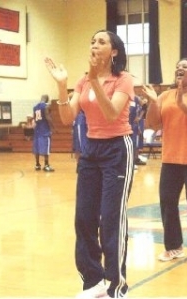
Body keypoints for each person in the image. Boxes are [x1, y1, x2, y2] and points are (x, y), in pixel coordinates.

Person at [44, 29, 134, 298]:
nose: (95, 45)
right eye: (92, 41)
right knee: (84, 218)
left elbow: (110, 113)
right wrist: (62, 85)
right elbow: (67, 117)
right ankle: (93, 282)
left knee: (111, 220)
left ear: (113, 51)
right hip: (91, 150)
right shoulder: (83, 81)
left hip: (117, 149)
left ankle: (116, 286)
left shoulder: (124, 80)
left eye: (101, 42)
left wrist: (95, 80)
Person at [142, 58, 187, 264]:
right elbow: (153, 124)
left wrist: (182, 104)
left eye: (185, 66)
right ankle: (173, 247)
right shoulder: (165, 95)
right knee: (167, 202)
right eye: (178, 66)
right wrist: (153, 102)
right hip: (172, 158)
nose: (179, 68)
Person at [32, 94, 55, 172]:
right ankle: (46, 165)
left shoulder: (35, 107)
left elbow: (34, 119)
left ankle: (37, 165)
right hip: (44, 130)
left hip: (37, 130)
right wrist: (53, 127)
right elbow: (48, 117)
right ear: (47, 100)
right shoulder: (46, 106)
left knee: (37, 148)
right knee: (46, 148)